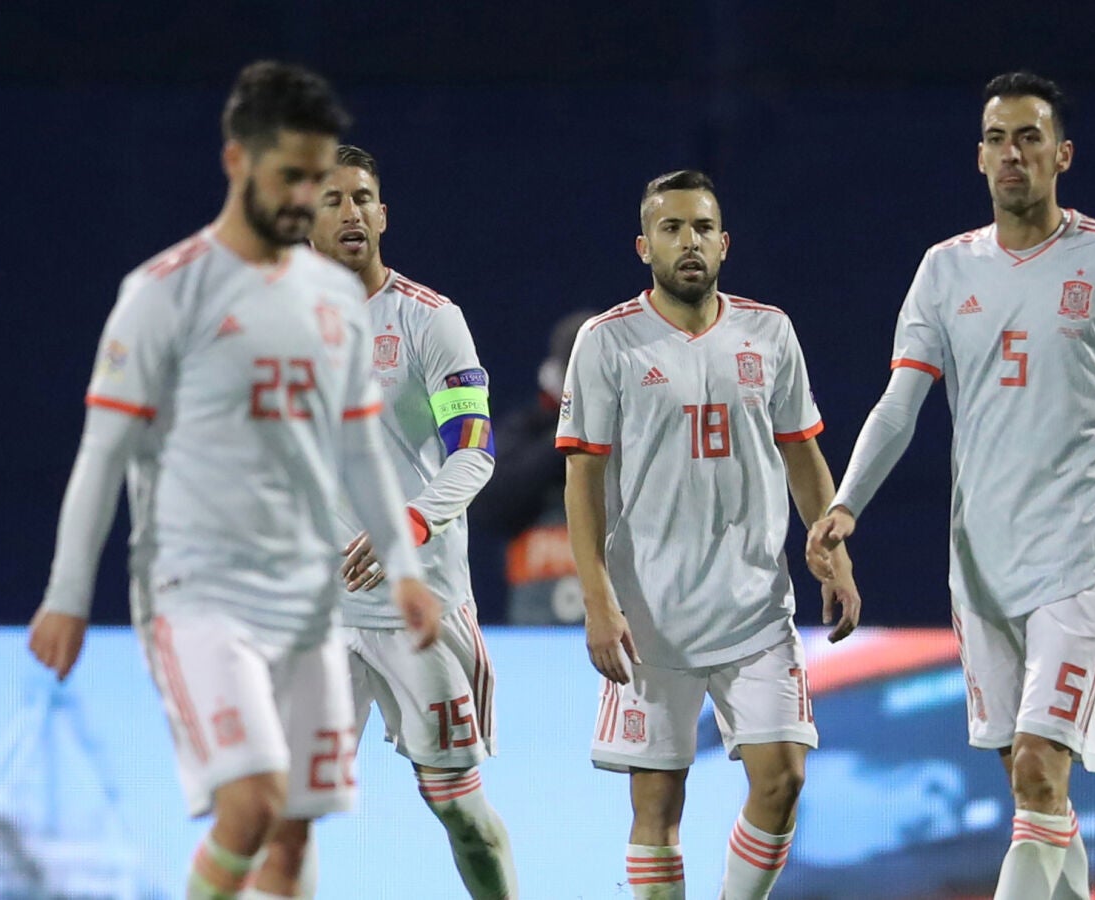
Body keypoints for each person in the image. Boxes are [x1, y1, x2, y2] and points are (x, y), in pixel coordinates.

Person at [805, 72, 1095, 900]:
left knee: (1039, 769)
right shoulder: (945, 270)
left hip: (1081, 555)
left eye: (1028, 137)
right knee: (1035, 788)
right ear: (979, 158)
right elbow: (899, 406)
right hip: (981, 564)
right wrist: (845, 505)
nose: (1011, 153)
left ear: (1063, 155)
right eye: (996, 139)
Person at [26, 62, 440, 900]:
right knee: (250, 805)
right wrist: (66, 596)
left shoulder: (331, 302)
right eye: (290, 177)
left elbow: (361, 446)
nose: (305, 198)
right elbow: (102, 453)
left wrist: (403, 569)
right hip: (196, 591)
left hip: (308, 597)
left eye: (317, 179)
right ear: (236, 162)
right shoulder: (163, 295)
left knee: (290, 840)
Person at [558, 169, 861, 900]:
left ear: (724, 244)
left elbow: (802, 452)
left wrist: (835, 554)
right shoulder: (607, 342)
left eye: (701, 228)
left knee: (783, 779)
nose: (688, 242)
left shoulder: (770, 331)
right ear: (644, 246)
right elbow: (582, 480)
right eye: (671, 228)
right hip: (649, 615)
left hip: (755, 606)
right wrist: (598, 599)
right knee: (657, 807)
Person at [282, 143, 518, 899]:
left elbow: (474, 452)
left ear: (383, 215)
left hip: (420, 608)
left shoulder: (429, 320)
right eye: (332, 200)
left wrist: (407, 524)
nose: (350, 212)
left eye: (362, 198)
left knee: (461, 815)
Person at [469, 308, 596, 625]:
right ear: (556, 374)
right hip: (535, 633)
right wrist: (569, 435)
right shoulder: (527, 431)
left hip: (621, 629)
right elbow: (487, 503)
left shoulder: (635, 435)